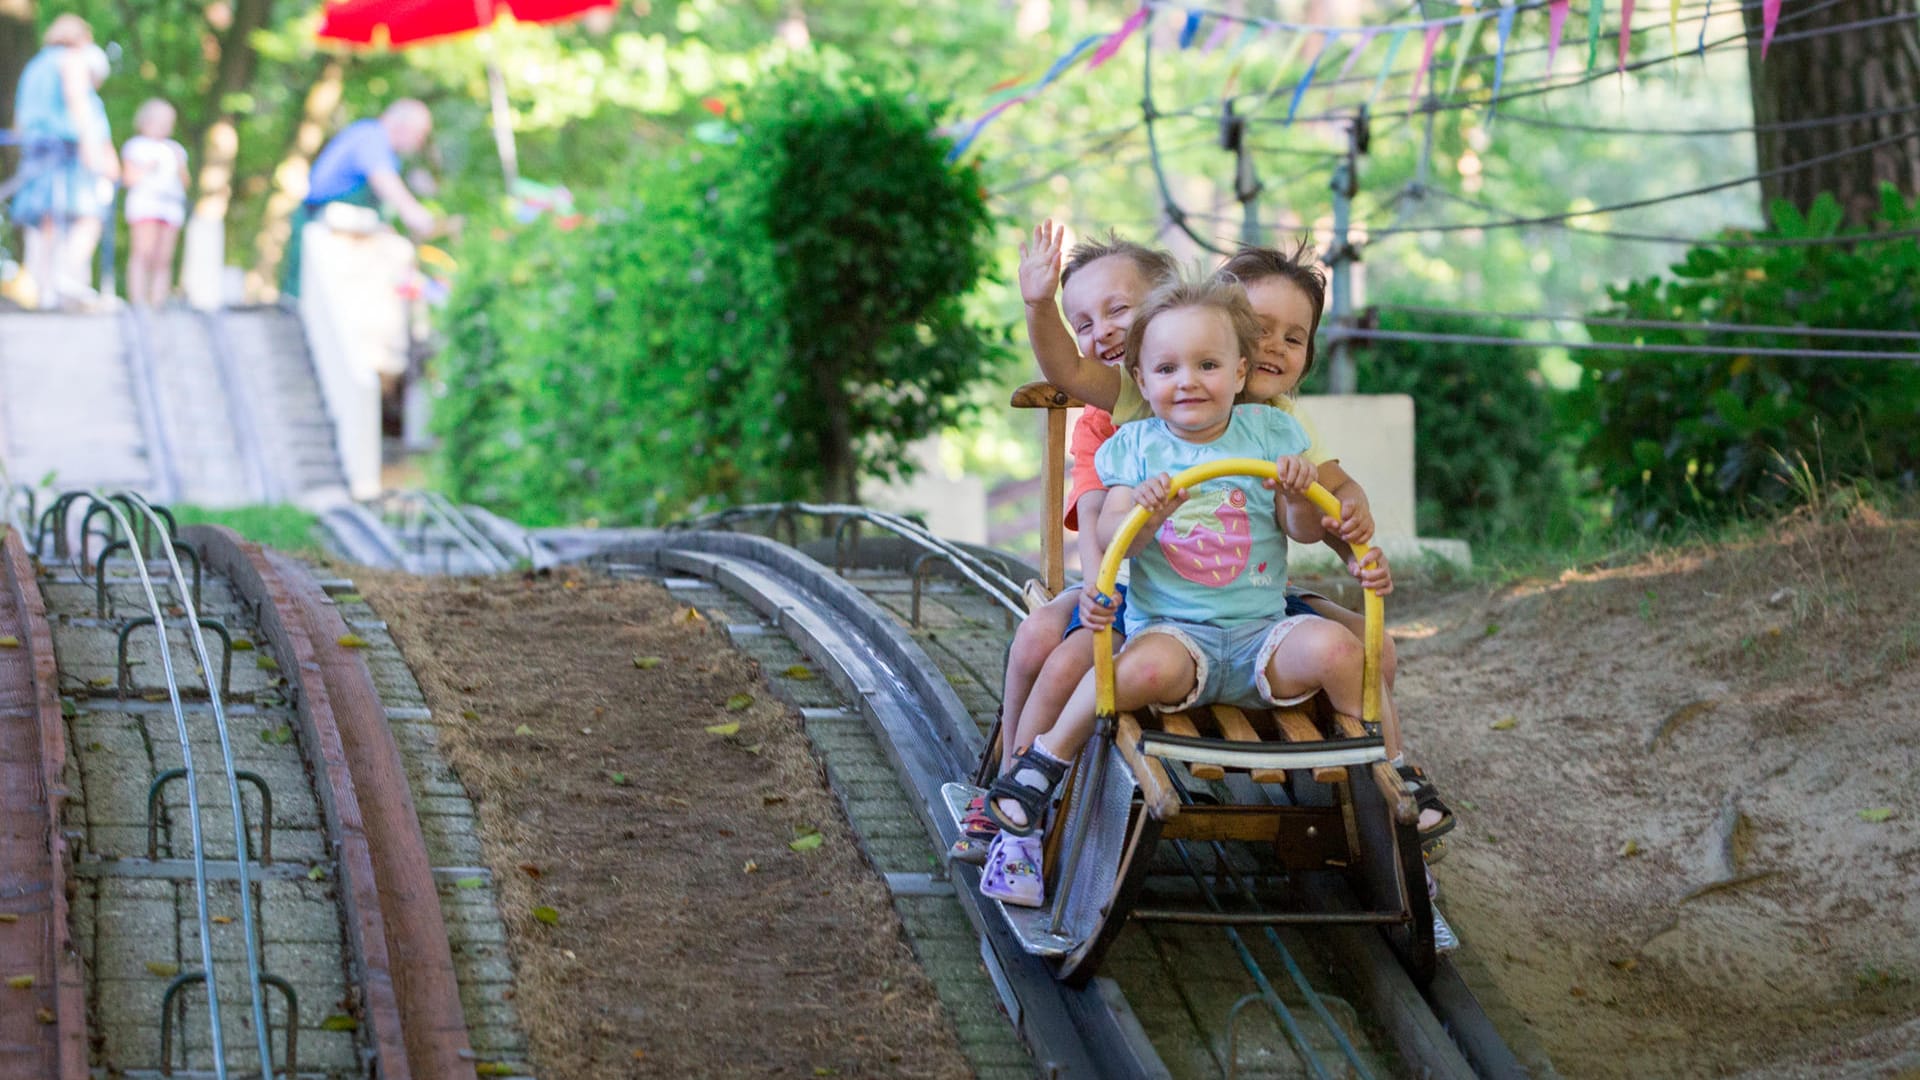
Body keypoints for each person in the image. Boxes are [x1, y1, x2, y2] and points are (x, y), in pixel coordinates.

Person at [980, 276, 1382, 907]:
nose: (1188, 380)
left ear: (1239, 370)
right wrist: (1145, 514)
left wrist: (1296, 492)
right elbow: (1116, 539)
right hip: (1177, 632)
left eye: (1207, 365)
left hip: (1259, 636)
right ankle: (1042, 765)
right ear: (1142, 379)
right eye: (1168, 368)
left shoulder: (1271, 435)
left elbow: (1300, 531)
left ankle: (1388, 780)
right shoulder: (1136, 447)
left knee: (1341, 648)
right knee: (1133, 666)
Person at [950, 234, 1175, 868]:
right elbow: (1068, 373)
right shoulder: (1113, 412)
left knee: (1064, 660)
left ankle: (1020, 791)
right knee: (1034, 638)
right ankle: (1006, 778)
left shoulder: (1207, 398)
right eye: (1083, 322)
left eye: (1117, 310)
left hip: (1169, 596)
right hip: (1115, 582)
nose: (1100, 331)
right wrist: (1038, 305)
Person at [7, 16, 117, 309]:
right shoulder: (71, 60)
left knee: (44, 221)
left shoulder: (34, 66)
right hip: (66, 150)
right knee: (87, 217)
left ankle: (45, 290)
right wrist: (92, 150)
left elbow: (19, 118)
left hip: (35, 149)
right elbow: (77, 101)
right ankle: (68, 282)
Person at [282, 99, 438, 297]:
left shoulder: (385, 151)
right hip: (319, 227)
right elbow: (384, 179)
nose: (420, 142)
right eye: (420, 134)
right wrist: (413, 212)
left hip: (336, 232)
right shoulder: (372, 137)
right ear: (404, 126)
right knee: (307, 298)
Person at [121, 98, 189, 308]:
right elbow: (128, 179)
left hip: (170, 206)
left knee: (163, 257)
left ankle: (158, 301)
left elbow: (185, 182)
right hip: (146, 204)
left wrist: (179, 165)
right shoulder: (135, 146)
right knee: (143, 252)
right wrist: (149, 167)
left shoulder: (175, 149)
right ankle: (138, 300)